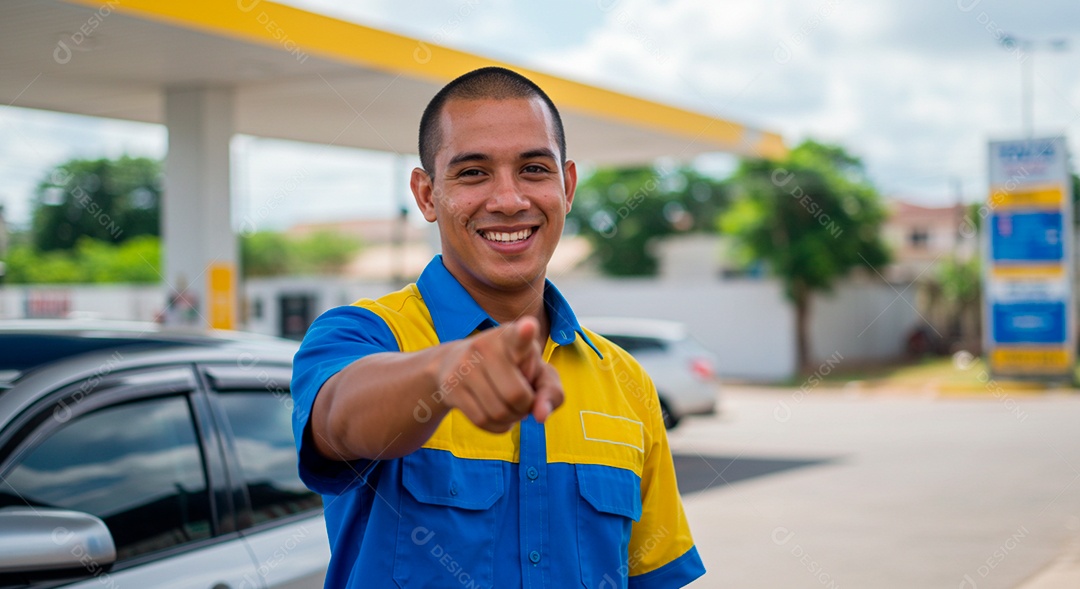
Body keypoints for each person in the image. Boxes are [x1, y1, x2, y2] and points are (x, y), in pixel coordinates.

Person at [291, 66, 705, 588]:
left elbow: (652, 579)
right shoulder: (360, 334)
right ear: (425, 194)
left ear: (567, 185)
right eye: (472, 173)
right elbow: (338, 419)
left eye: (533, 169)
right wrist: (443, 371)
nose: (509, 200)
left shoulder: (628, 383)